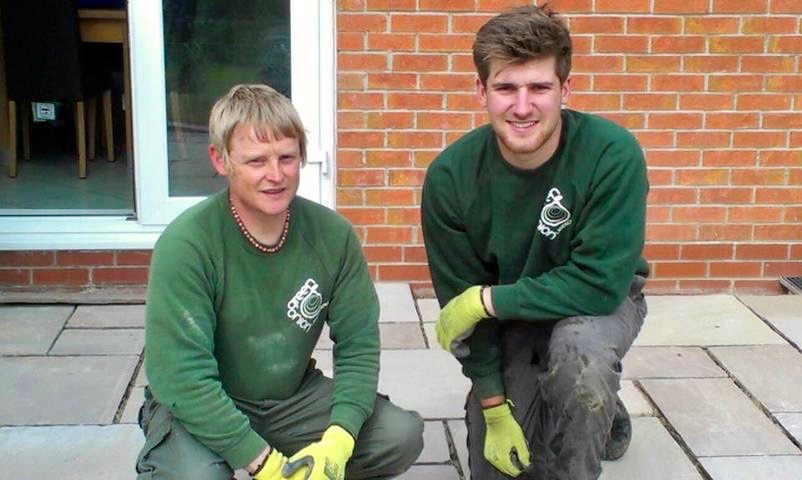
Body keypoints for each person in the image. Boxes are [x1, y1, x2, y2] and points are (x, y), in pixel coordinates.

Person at [137, 84, 423, 480]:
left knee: (399, 435)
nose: (276, 175)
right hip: (199, 402)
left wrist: (339, 437)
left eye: (287, 158)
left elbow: (358, 344)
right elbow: (180, 375)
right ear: (221, 161)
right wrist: (263, 463)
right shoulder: (187, 244)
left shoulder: (332, 235)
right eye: (256, 161)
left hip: (290, 398)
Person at [421, 5, 649, 480]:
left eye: (539, 88)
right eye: (506, 88)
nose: (522, 107)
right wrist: (493, 406)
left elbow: (600, 285)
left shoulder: (611, 153)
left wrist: (487, 299)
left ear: (564, 89)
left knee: (580, 360)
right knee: (502, 466)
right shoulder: (450, 178)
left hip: (596, 307)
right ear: (481, 90)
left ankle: (589, 406)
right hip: (512, 320)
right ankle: (593, 412)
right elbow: (467, 320)